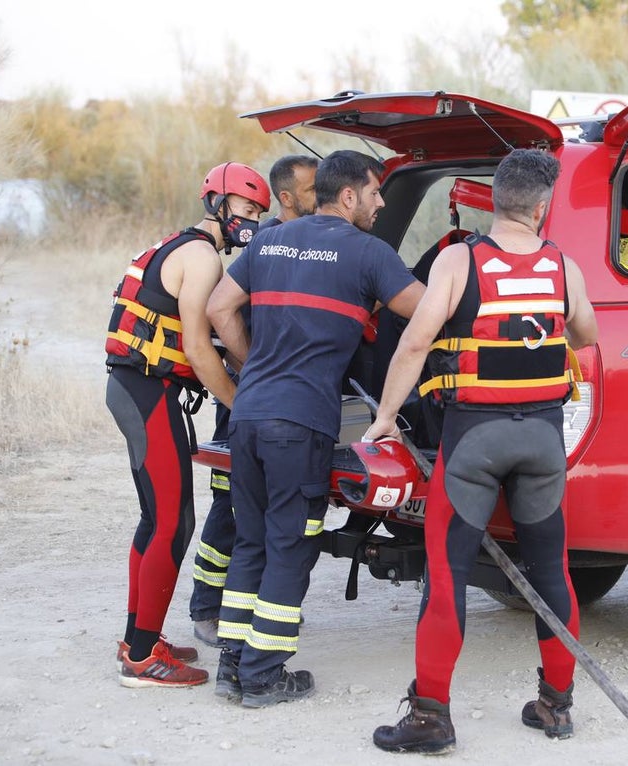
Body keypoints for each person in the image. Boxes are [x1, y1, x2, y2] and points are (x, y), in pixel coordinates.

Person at [367, 148, 598, 754]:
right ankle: (555, 706)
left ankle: (430, 719)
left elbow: (415, 343)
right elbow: (587, 334)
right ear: (542, 208)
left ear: (493, 201)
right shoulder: (562, 265)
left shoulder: (458, 260)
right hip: (543, 441)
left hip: (474, 439)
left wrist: (386, 418)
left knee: (447, 577)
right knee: (551, 573)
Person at [206, 149, 424, 708]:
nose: (380, 204)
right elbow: (428, 310)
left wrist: (255, 365)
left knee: (251, 542)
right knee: (289, 547)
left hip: (248, 416)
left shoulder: (268, 242)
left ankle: (232, 665)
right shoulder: (367, 253)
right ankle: (263, 676)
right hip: (298, 425)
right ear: (348, 195)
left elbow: (219, 309)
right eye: (376, 193)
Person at [105, 161, 271, 687]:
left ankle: (141, 634)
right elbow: (199, 349)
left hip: (136, 387)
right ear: (217, 204)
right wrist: (239, 399)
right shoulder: (201, 257)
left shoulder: (178, 245)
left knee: (156, 518)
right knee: (173, 524)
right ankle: (140, 658)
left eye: (258, 214)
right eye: (245, 210)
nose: (251, 221)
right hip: (147, 391)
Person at [189, 154, 319, 648]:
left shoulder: (303, 244)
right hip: (252, 396)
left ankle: (259, 606)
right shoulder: (265, 246)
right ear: (289, 197)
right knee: (232, 505)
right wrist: (249, 368)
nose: (319, 196)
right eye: (311, 190)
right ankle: (206, 607)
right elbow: (220, 312)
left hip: (278, 399)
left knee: (271, 511)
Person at [258, 154, 319, 230]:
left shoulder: (322, 228)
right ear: (286, 199)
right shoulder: (264, 237)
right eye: (313, 189)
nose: (322, 194)